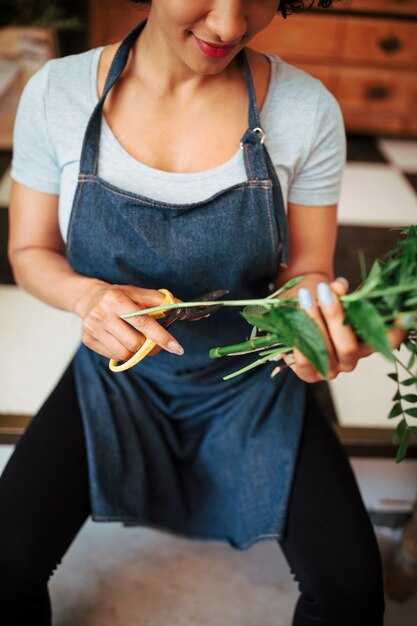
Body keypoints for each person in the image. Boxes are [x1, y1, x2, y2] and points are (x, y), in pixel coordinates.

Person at [0, 1, 406, 624]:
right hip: (115, 383)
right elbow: (29, 252)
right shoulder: (57, 92)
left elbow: (307, 271)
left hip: (255, 386)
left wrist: (315, 324)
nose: (230, 26)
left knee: (351, 593)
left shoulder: (307, 109)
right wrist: (87, 297)